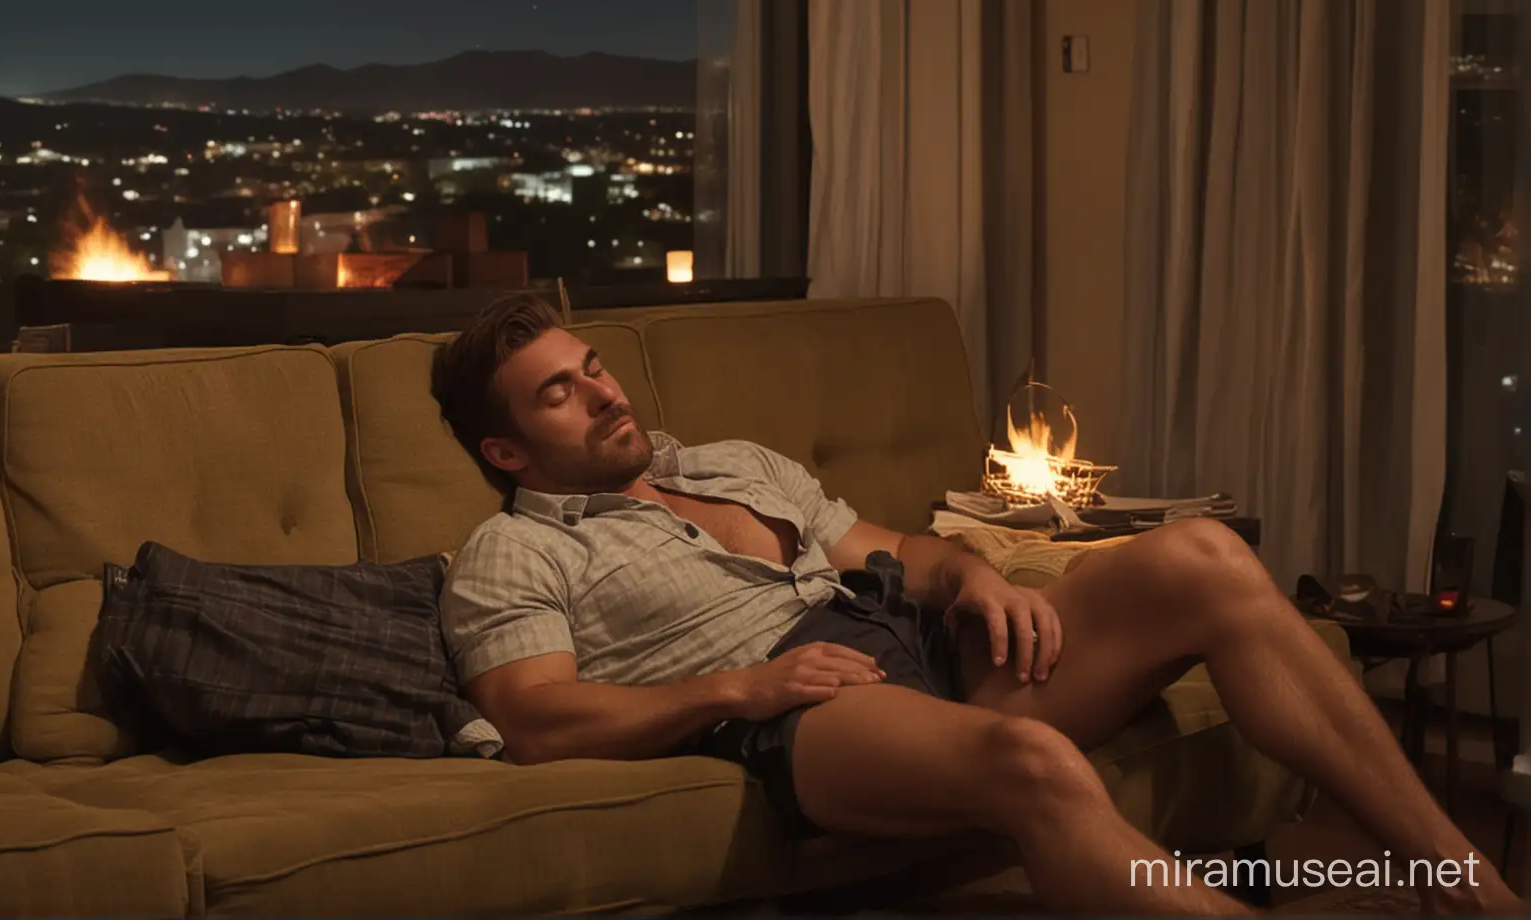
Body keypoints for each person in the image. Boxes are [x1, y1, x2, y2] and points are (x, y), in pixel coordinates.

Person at [431, 293, 1517, 916]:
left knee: (1202, 558)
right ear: (505, 447)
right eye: (559, 392)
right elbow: (538, 722)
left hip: (914, 636)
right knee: (1037, 766)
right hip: (811, 704)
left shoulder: (730, 464)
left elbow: (887, 547)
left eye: (593, 366)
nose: (603, 390)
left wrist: (975, 574)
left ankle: (1466, 888)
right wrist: (743, 686)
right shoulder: (511, 551)